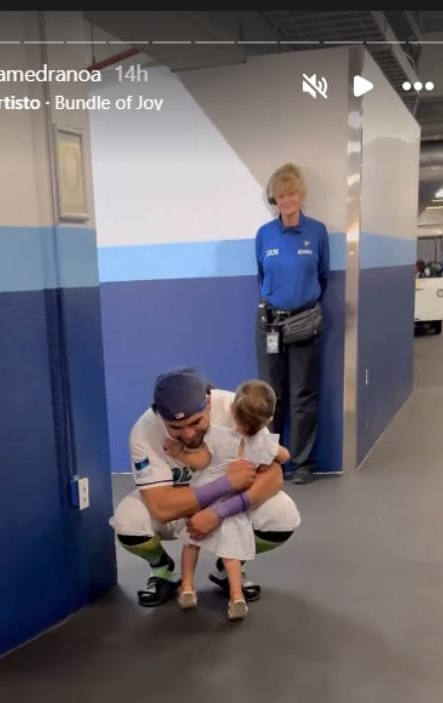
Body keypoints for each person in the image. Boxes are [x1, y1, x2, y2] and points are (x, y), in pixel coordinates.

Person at [110, 369, 301, 607]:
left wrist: (219, 511)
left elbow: (273, 475)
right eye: (175, 427)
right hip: (179, 509)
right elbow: (160, 507)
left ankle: (230, 566)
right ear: (160, 416)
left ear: (209, 403)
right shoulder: (143, 432)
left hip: (229, 506)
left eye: (195, 422)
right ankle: (162, 571)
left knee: (282, 516)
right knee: (127, 522)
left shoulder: (238, 407)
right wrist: (224, 484)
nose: (188, 434)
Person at [159, 380, 288, 620]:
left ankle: (187, 587)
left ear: (232, 412)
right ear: (269, 419)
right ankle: (236, 596)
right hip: (232, 505)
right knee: (231, 552)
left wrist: (179, 453)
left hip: (206, 494)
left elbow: (200, 462)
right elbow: (285, 456)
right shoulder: (265, 443)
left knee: (191, 542)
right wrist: (270, 449)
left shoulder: (218, 435)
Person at [255, 163, 330, 484]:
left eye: (291, 194)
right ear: (274, 199)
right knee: (271, 397)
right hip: (270, 324)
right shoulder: (264, 234)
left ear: (301, 196)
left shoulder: (316, 232)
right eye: (280, 196)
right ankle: (272, 462)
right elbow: (262, 276)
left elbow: (323, 276)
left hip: (305, 323)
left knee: (303, 395)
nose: (286, 200)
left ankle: (302, 464)